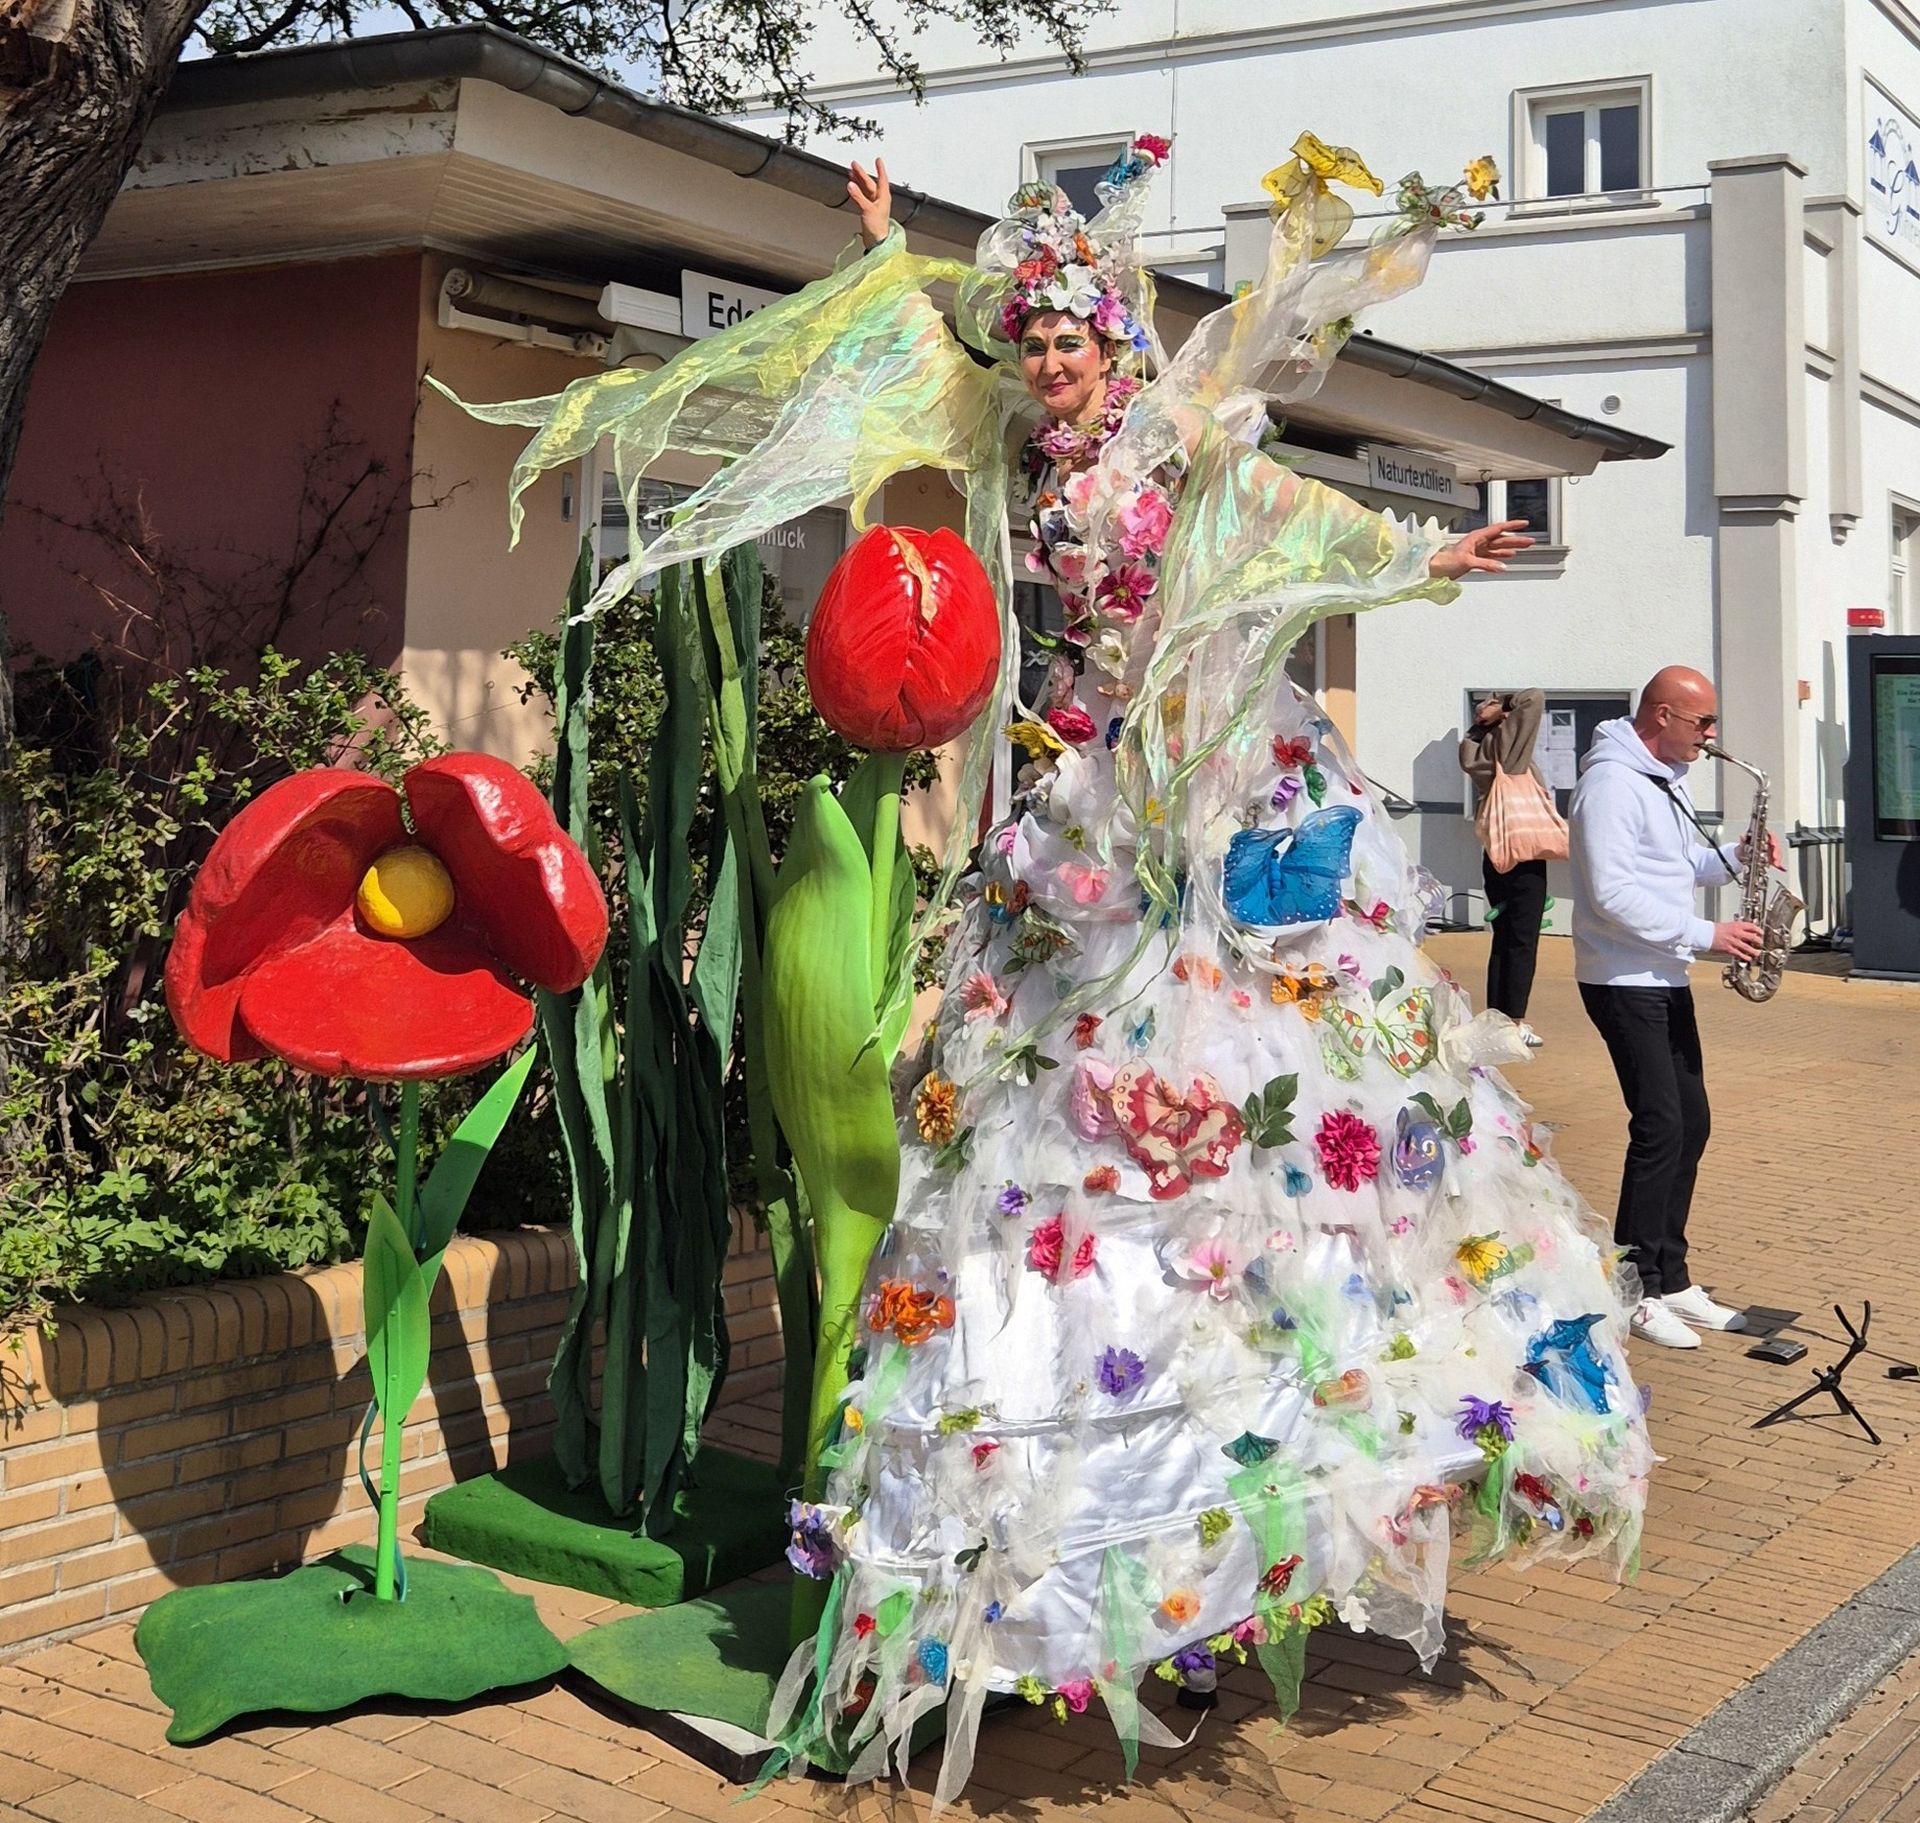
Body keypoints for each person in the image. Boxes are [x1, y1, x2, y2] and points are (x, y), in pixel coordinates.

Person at [448, 132, 1653, 1801]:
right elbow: (929, 359)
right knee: (1010, 1166)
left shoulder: (1178, 452)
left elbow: (1298, 516)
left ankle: (1188, 1541)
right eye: (1038, 345)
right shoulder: (1010, 440)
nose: (1057, 366)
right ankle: (1007, 1578)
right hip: (1057, 842)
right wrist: (880, 247)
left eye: (1078, 340)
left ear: (1119, 343)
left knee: (1208, 1170)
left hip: (1179, 829)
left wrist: (1426, 556)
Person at [1568, 666, 1777, 1350]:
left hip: (1662, 975)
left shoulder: (1661, 778)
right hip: (1621, 978)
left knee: (1692, 1121)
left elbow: (1681, 864)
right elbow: (1611, 895)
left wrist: (1738, 857)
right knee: (1658, 1124)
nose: (1710, 737)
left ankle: (1673, 1274)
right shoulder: (1609, 784)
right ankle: (1633, 1288)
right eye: (1702, 723)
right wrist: (1708, 934)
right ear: (1661, 715)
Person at [1458, 688, 1555, 1033]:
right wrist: (1506, 702)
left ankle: (1497, 1017)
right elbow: (1535, 698)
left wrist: (1481, 722)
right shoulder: (1510, 748)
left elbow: (1473, 746)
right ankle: (1514, 1022)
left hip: (1495, 852)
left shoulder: (1475, 746)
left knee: (1503, 937)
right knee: (1523, 940)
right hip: (1522, 851)